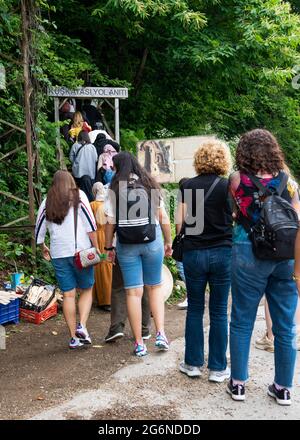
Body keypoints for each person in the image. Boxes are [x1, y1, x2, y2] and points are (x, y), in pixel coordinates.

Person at [228, 128, 300, 405]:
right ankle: (283, 388)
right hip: (285, 253)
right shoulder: (289, 181)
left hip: (248, 250)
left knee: (242, 319)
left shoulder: (236, 180)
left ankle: (238, 385)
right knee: (285, 324)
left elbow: (234, 213)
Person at [104, 152, 173, 357]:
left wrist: (108, 248)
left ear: (117, 168)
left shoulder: (114, 188)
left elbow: (110, 223)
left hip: (127, 246)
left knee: (133, 293)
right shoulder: (149, 184)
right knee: (154, 287)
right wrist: (168, 242)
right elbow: (163, 217)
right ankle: (160, 334)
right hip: (152, 241)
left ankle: (138, 343)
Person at [176, 139, 233, 382]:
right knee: (219, 310)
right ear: (223, 160)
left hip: (194, 253)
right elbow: (234, 216)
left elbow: (180, 222)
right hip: (222, 252)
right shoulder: (227, 186)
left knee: (195, 309)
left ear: (198, 160)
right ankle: (218, 369)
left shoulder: (187, 185)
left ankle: (193, 364)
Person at [35, 170, 99, 349]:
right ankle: (82, 326)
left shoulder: (48, 201)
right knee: (87, 289)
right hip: (81, 252)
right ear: (71, 181)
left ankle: (73, 338)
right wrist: (97, 246)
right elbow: (90, 224)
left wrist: (43, 246)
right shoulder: (79, 196)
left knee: (68, 294)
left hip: (59, 253)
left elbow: (39, 227)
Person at [104, 259, 151, 342]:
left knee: (119, 286)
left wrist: (109, 248)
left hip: (124, 248)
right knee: (143, 284)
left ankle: (116, 328)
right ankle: (144, 329)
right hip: (147, 248)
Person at [90, 182, 113, 311]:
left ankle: (101, 299)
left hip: (96, 238)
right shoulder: (109, 205)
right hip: (108, 237)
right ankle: (108, 299)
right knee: (107, 267)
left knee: (99, 267)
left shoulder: (92, 205)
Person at [69, 131, 98, 202]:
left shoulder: (75, 145)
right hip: (90, 173)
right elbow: (96, 159)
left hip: (78, 173)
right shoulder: (92, 147)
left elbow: (71, 158)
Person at [176, 177, 189, 310]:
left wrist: (179, 237)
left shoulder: (183, 201)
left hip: (185, 238)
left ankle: (191, 296)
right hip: (196, 238)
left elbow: (179, 222)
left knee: (181, 266)